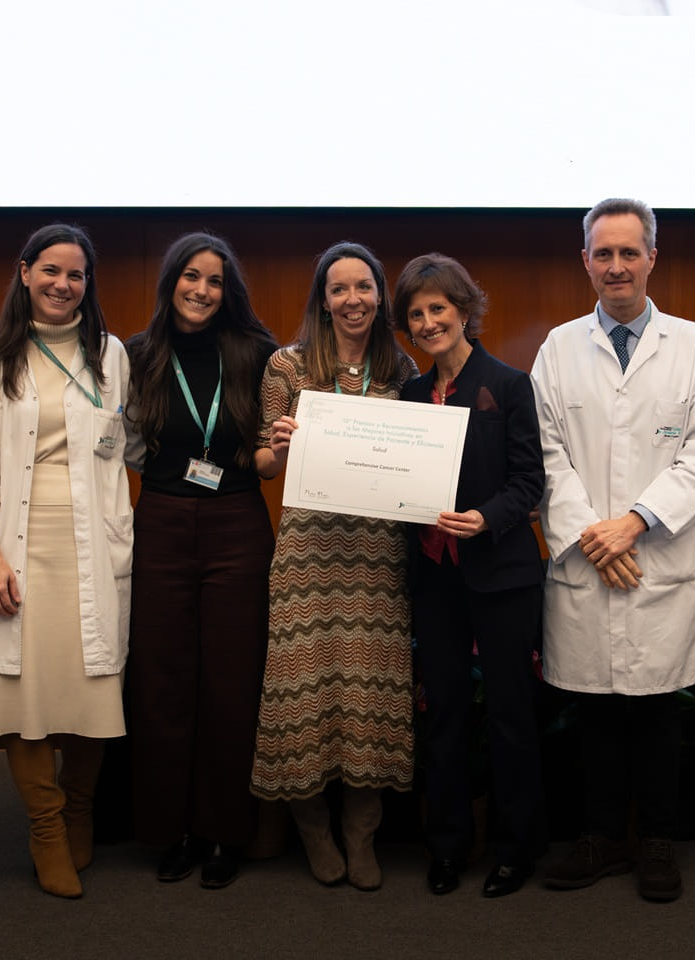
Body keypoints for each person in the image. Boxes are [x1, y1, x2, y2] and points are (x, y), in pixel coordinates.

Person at [530, 198, 695, 902]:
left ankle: (657, 842)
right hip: (589, 557)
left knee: (656, 711)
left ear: (652, 257)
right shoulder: (558, 348)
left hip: (654, 557)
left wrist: (636, 523)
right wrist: (596, 534)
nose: (616, 266)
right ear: (585, 261)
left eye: (628, 252)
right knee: (593, 712)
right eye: (603, 253)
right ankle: (601, 838)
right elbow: (545, 456)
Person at [0, 223, 135, 899]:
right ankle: (45, 827)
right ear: (25, 272)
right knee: (25, 689)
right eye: (52, 271)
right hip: (19, 544)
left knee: (93, 684)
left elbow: (121, 447)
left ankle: (79, 809)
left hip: (94, 539)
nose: (63, 284)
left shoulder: (110, 353)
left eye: (76, 275)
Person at [250, 241, 418, 891]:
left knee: (369, 695)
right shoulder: (287, 366)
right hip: (308, 555)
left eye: (364, 287)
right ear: (323, 300)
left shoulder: (402, 368)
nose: (353, 299)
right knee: (306, 694)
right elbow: (263, 464)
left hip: (378, 555)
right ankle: (314, 830)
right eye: (339, 289)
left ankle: (361, 832)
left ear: (380, 296)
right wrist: (278, 446)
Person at [124, 232, 278, 888]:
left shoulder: (257, 353)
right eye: (191, 276)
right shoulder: (138, 354)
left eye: (214, 280)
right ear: (171, 282)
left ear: (228, 290)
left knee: (231, 681)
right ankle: (173, 831)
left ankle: (223, 832)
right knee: (163, 679)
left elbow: (273, 445)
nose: (202, 290)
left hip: (237, 521)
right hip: (160, 521)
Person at [394, 254, 545, 899]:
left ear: (463, 311)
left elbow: (530, 481)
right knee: (446, 714)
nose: (428, 323)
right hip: (435, 578)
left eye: (438, 309)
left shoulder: (508, 385)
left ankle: (515, 849)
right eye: (416, 314)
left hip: (502, 573)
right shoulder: (408, 396)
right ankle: (449, 846)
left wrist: (487, 517)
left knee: (511, 714)